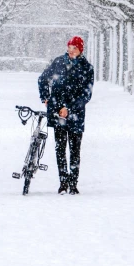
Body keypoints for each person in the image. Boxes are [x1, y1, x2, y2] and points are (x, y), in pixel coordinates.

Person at [38, 36, 94, 195]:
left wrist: (69, 108)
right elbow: (42, 79)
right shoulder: (58, 62)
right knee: (60, 149)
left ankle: (73, 183)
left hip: (76, 115)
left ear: (80, 50)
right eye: (69, 47)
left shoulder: (87, 68)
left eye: (74, 48)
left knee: (75, 150)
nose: (71, 50)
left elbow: (86, 94)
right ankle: (63, 182)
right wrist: (46, 98)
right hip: (58, 113)